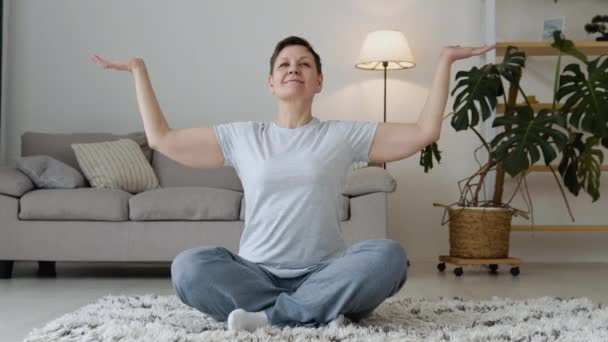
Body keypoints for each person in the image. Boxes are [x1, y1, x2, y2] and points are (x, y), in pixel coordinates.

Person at [90, 36, 494, 331]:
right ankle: (312, 311)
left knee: (388, 256)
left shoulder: (341, 135)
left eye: (304, 64)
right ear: (271, 82)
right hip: (255, 273)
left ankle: (270, 317)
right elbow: (162, 139)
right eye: (284, 64)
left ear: (319, 82)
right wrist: (138, 71)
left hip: (325, 271)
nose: (293, 69)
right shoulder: (242, 136)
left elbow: (424, 132)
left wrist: (444, 61)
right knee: (188, 268)